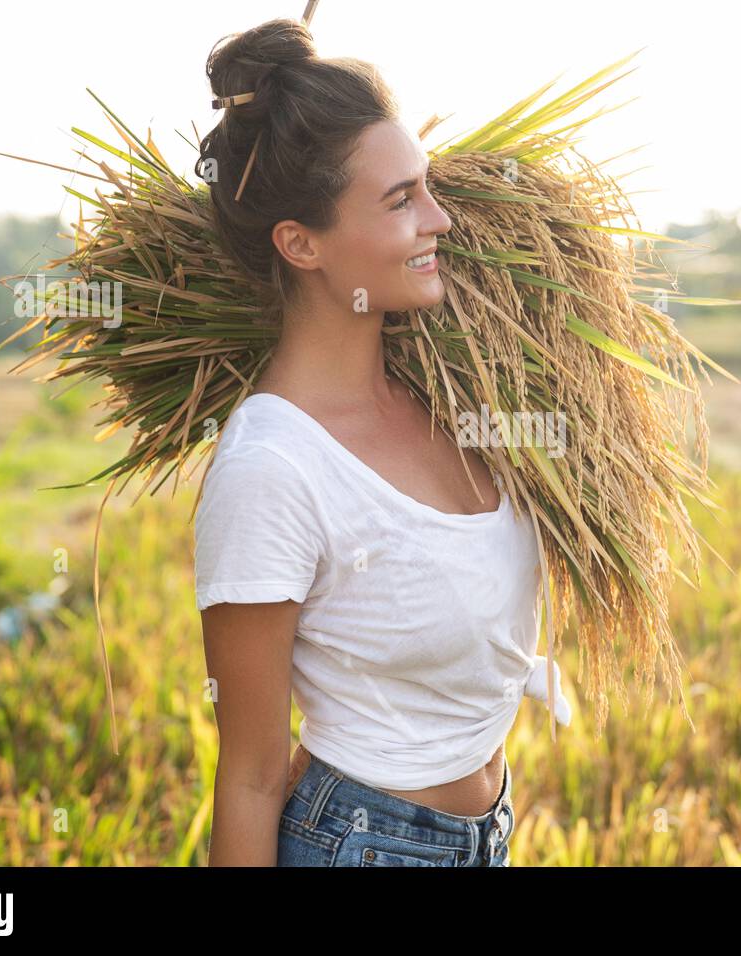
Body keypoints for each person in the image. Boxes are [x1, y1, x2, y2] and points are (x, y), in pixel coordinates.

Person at [192, 17, 569, 867]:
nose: (440, 219)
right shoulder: (270, 468)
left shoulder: (454, 398)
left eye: (426, 187)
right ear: (301, 243)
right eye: (401, 200)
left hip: (488, 834)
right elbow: (250, 776)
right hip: (361, 847)